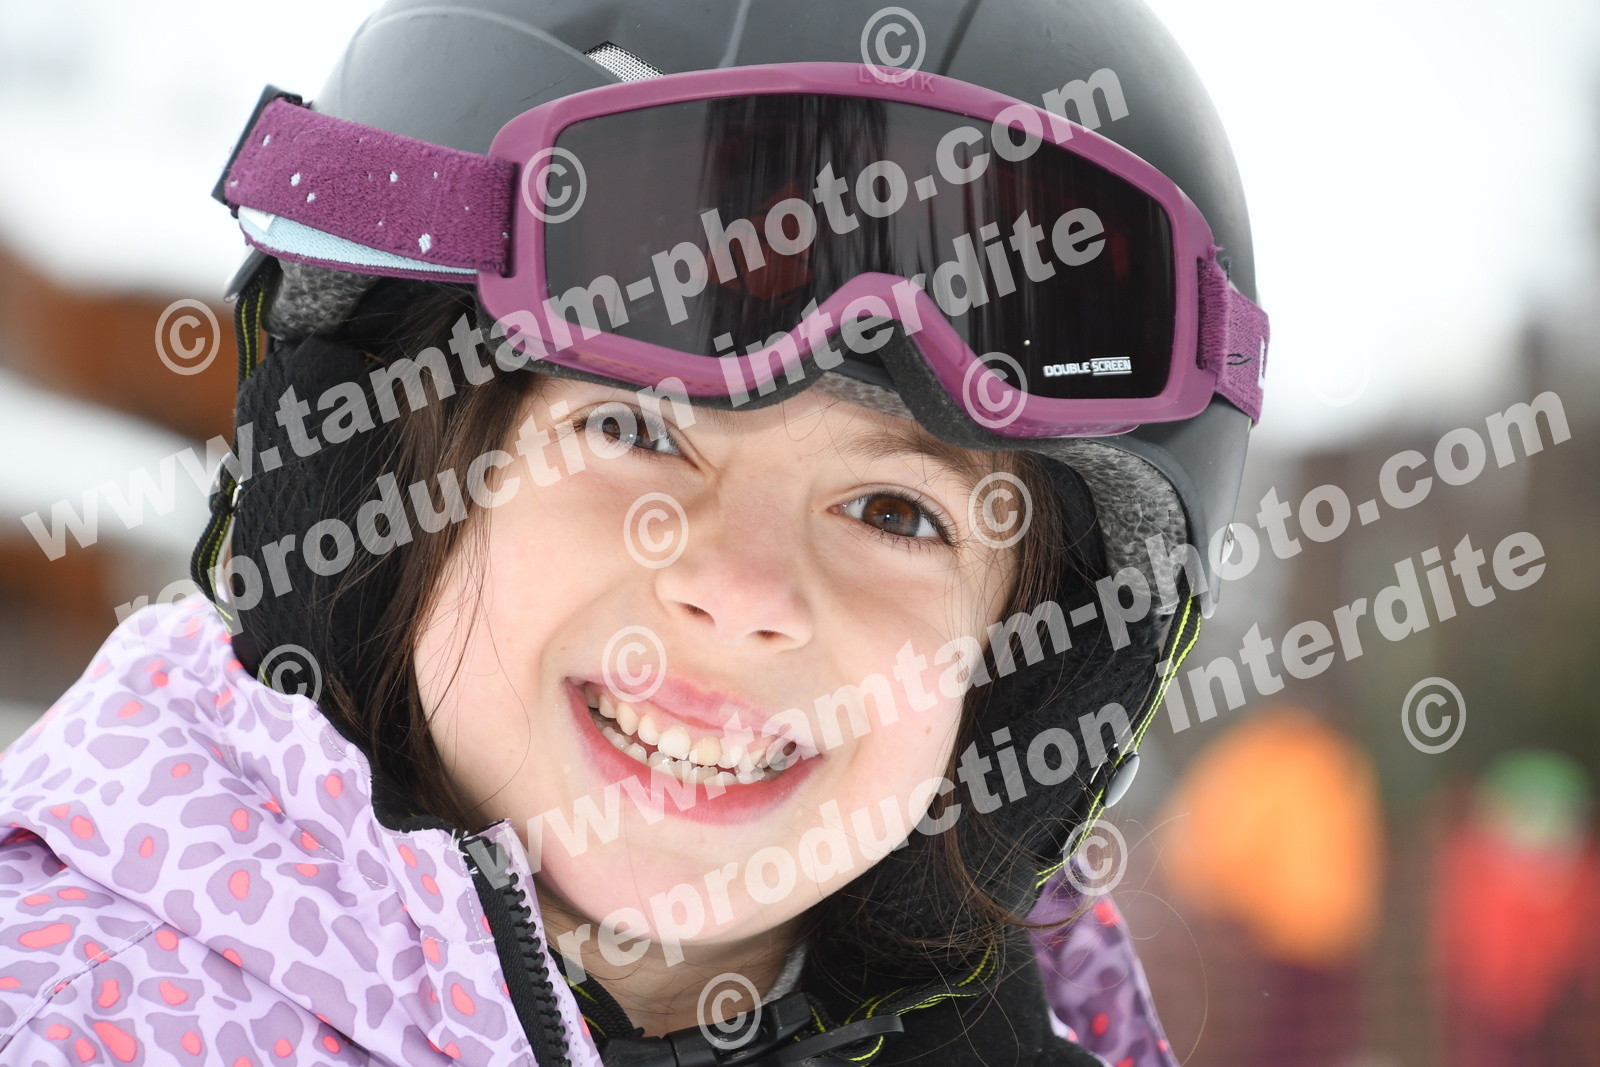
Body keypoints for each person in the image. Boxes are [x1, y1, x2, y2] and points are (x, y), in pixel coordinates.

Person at [0, 0, 1268, 1063]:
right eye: (636, 429)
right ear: (399, 485)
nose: (741, 588)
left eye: (894, 511)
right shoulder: (64, 1012)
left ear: (1023, 660)